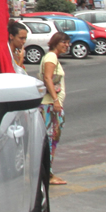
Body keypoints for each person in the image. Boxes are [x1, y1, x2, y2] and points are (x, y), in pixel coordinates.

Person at [41, 32, 69, 186]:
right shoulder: (51, 57)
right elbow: (47, 78)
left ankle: (48, 172)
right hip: (49, 106)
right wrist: (55, 100)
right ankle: (48, 174)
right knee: (51, 140)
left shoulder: (52, 57)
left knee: (52, 140)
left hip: (51, 105)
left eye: (67, 43)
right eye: (63, 42)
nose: (66, 45)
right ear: (55, 42)